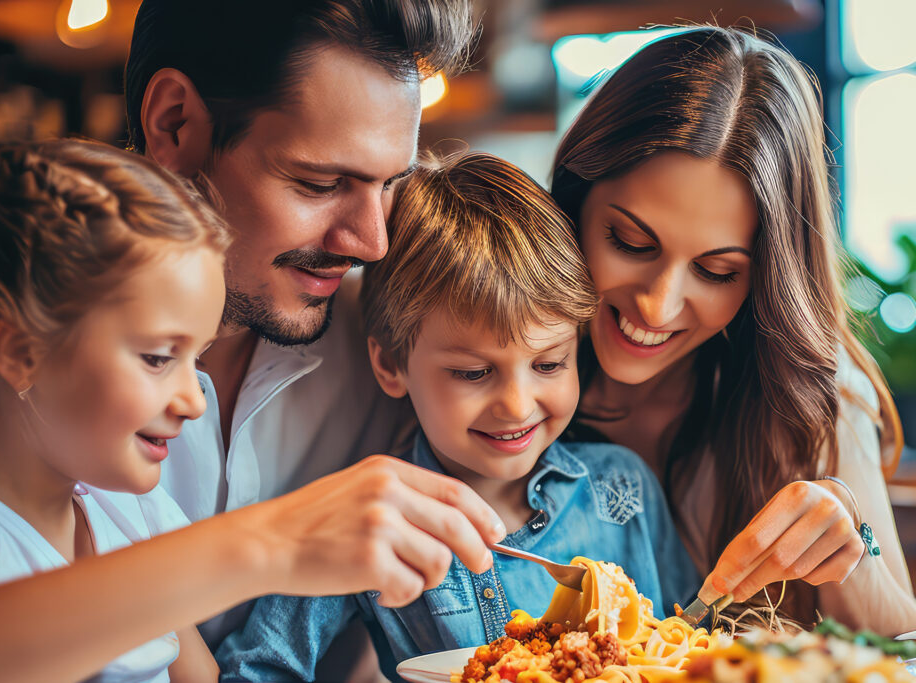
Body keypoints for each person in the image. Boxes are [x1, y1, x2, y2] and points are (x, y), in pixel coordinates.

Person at [0, 0, 487, 659]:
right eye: (320, 182)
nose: (370, 242)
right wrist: (274, 541)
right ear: (174, 121)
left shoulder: (388, 337)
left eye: (388, 186)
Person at [215, 153, 702, 682]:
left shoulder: (623, 489)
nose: (517, 405)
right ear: (391, 364)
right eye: (473, 373)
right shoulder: (375, 523)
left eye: (549, 363)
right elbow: (256, 668)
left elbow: (698, 640)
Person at [550, 26, 916, 633]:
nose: (659, 307)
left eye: (717, 271)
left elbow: (902, 648)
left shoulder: (807, 395)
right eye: (631, 242)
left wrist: (853, 544)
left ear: (764, 280)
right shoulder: (491, 366)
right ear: (574, 201)